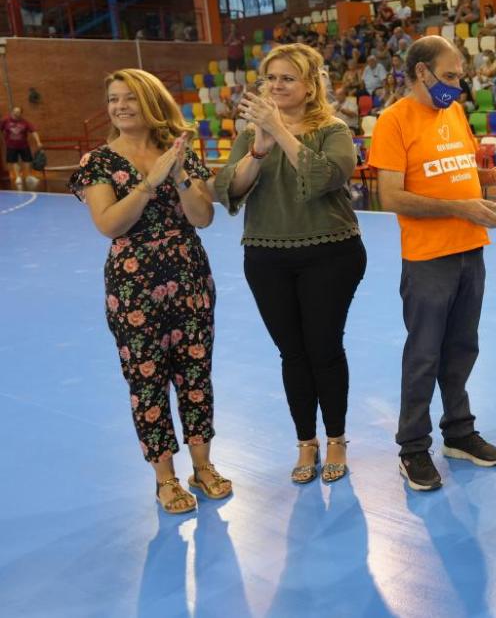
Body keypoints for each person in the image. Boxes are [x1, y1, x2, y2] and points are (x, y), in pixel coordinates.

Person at [69, 68, 229, 515]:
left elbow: (202, 217)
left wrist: (177, 175)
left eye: (129, 99)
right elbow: (109, 224)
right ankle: (165, 478)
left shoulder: (179, 151)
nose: (119, 106)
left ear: (151, 102)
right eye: (113, 99)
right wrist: (149, 182)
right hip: (134, 285)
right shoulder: (98, 162)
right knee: (147, 380)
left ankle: (204, 466)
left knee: (196, 374)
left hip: (190, 274)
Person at [370, 36, 496, 491]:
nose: (458, 86)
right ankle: (413, 447)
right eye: (450, 76)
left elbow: (454, 173)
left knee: (462, 349)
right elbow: (390, 195)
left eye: (459, 77)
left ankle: (459, 431)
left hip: (469, 249)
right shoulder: (394, 121)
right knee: (423, 355)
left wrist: (491, 176)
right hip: (428, 258)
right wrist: (459, 209)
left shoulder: (452, 112)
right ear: (422, 72)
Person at [213, 43, 366, 486]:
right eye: (271, 78)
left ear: (310, 85)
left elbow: (323, 178)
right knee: (292, 353)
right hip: (266, 256)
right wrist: (258, 149)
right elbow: (227, 189)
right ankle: (306, 442)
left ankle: (335, 437)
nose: (276, 86)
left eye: (287, 78)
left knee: (324, 347)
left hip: (330, 254)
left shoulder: (332, 129)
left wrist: (279, 131)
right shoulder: (251, 133)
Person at [2, 106, 42, 191]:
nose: (16, 113)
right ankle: (18, 177)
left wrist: (38, 141)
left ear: (20, 113)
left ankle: (28, 176)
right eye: (15, 111)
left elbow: (33, 131)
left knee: (27, 161)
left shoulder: (25, 122)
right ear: (12, 112)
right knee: (14, 162)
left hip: (24, 145)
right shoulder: (6, 121)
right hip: (11, 146)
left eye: (18, 112)